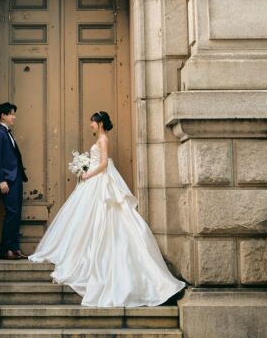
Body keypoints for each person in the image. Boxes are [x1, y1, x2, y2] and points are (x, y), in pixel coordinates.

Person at [29, 111, 185, 307]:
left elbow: (103, 164)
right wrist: (85, 167)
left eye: (92, 123)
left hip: (99, 181)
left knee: (105, 215)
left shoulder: (103, 139)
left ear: (100, 123)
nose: (90, 126)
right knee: (88, 218)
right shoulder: (100, 139)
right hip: (95, 181)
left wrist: (88, 174)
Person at [0, 102, 28, 260]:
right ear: (3, 115)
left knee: (16, 214)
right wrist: (0, 180)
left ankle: (14, 247)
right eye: (11, 113)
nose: (14, 117)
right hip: (7, 181)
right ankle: (6, 250)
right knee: (11, 214)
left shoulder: (7, 133)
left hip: (16, 179)